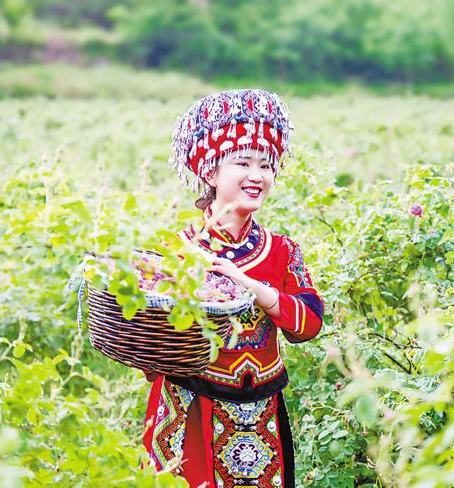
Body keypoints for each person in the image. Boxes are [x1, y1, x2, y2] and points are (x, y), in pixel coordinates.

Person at [143, 89, 324, 487]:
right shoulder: (178, 250)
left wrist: (247, 285)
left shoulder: (281, 250)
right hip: (188, 410)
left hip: (261, 416)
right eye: (243, 162)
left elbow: (309, 323)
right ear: (210, 172)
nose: (257, 175)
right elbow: (150, 344)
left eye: (266, 165)